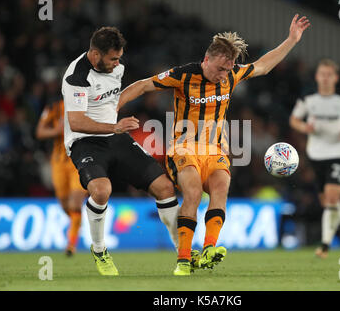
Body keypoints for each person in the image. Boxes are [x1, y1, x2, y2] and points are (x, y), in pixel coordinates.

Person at [117, 14, 310, 275]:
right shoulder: (182, 75)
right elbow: (141, 86)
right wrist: (112, 108)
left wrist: (291, 40)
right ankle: (183, 260)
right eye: (219, 68)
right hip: (183, 149)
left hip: (215, 150)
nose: (223, 75)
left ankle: (209, 248)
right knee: (194, 193)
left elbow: (263, 66)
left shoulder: (232, 75)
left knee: (220, 189)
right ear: (206, 60)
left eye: (227, 70)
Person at [62, 26, 180, 276]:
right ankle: (99, 249)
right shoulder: (76, 77)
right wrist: (114, 126)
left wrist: (128, 100)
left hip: (115, 137)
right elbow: (77, 122)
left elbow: (118, 96)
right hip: (85, 141)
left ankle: (184, 252)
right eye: (113, 58)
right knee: (102, 190)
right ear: (95, 55)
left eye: (120, 57)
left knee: (165, 188)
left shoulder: (116, 67)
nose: (118, 64)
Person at [289, 59, 340, 258]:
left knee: (332, 198)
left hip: (339, 153)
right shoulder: (308, 98)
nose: (325, 78)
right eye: (322, 74)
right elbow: (294, 119)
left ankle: (325, 245)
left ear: (335, 77)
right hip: (316, 154)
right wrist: (304, 128)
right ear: (317, 77)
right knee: (327, 202)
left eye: (329, 74)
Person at [36, 96, 88, 257]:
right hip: (58, 162)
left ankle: (71, 245)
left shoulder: (89, 105)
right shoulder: (54, 106)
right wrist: (56, 131)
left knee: (75, 203)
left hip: (79, 161)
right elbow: (39, 132)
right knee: (65, 205)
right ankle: (76, 224)